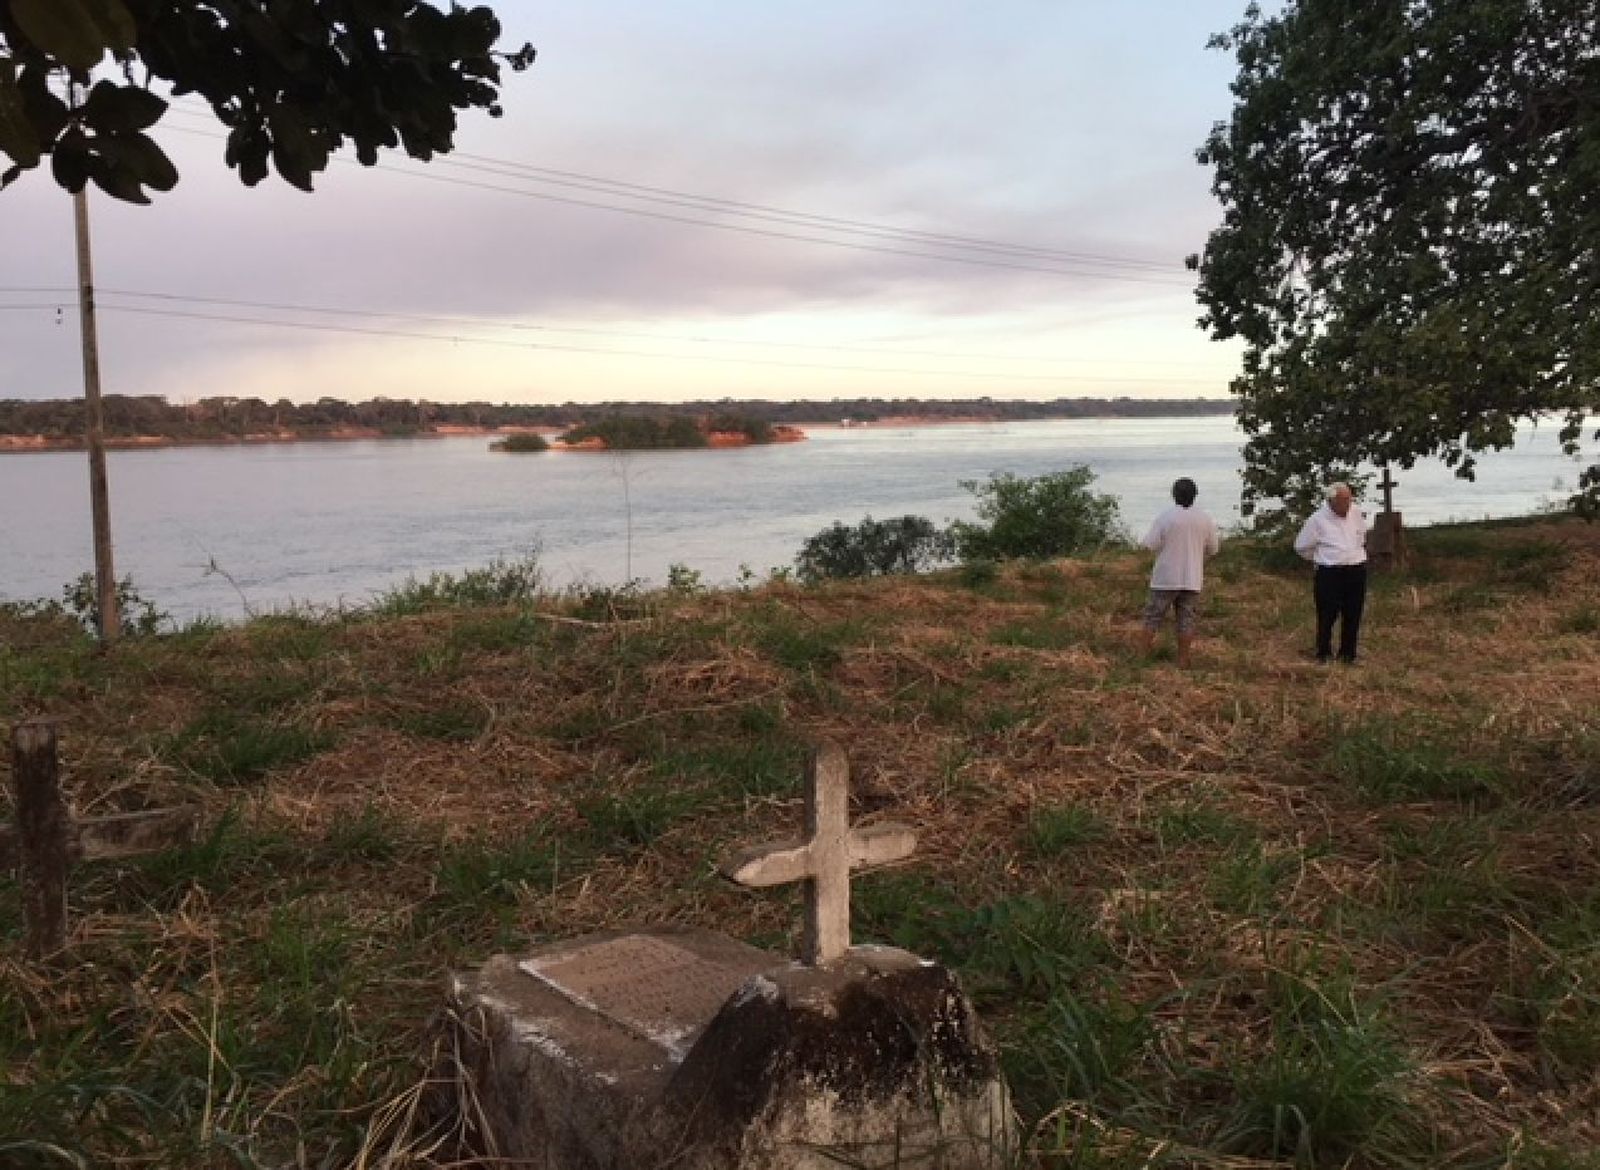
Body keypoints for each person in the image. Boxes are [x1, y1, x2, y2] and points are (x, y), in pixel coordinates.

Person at [1140, 477, 1220, 668]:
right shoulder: (1204, 519)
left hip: (1166, 578)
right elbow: (1213, 548)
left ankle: (1143, 655)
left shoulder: (1166, 517)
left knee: (1153, 616)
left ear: (1174, 495)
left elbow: (1149, 544)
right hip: (1192, 578)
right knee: (1186, 619)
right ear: (1195, 495)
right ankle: (1183, 659)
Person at [1294, 481, 1369, 663]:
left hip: (1356, 569)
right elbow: (1302, 546)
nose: (1347, 505)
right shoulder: (1317, 520)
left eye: (1349, 500)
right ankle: (1324, 653)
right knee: (1327, 614)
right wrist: (1322, 558)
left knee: (1353, 613)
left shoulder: (1356, 513)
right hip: (1330, 572)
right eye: (1342, 501)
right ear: (1331, 501)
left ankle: (1348, 654)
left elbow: (1362, 535)